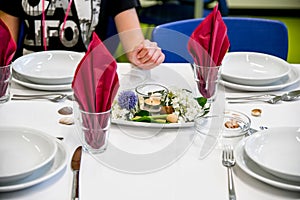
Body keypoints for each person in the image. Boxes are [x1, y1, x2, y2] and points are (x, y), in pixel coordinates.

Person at [0, 0, 165, 70]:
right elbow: (4, 47)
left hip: (88, 82)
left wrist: (145, 54)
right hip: (28, 81)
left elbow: (135, 47)